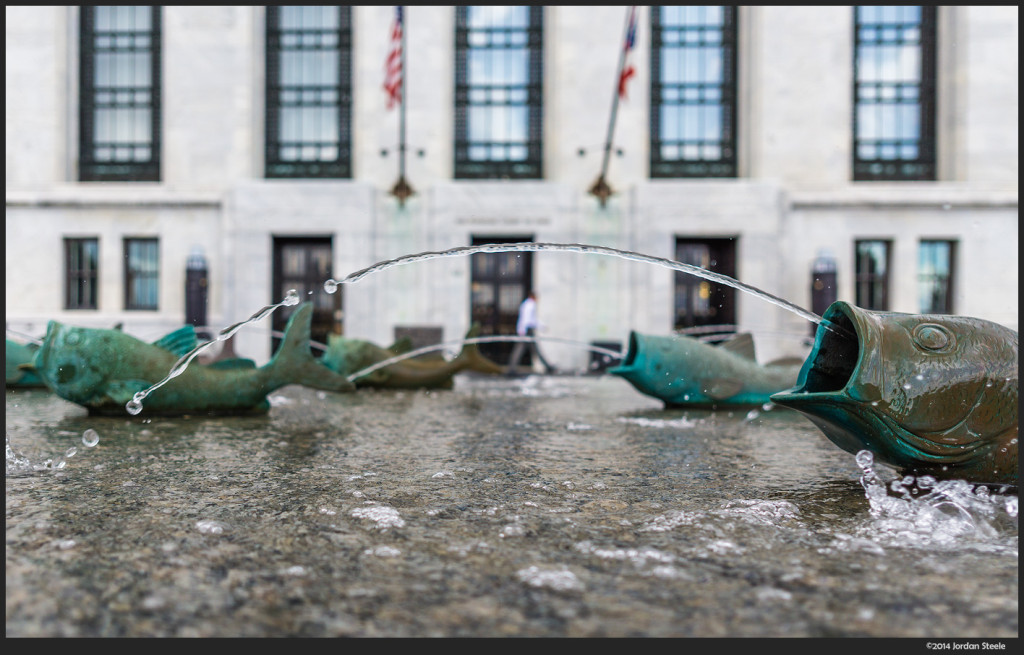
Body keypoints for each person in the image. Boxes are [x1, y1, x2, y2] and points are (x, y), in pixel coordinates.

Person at [506, 290, 556, 375]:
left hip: (525, 330)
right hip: (527, 330)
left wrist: (541, 326)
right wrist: (524, 331)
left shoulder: (526, 304)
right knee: (521, 349)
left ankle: (548, 366)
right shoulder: (530, 305)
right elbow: (528, 319)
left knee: (532, 349)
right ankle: (511, 369)